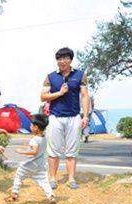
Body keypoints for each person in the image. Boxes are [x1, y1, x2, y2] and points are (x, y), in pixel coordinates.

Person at [40, 47, 90, 190]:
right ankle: (52, 178)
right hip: (55, 117)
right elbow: (42, 96)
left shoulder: (80, 75)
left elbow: (85, 95)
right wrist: (59, 93)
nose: (62, 61)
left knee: (72, 150)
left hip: (74, 117)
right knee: (53, 150)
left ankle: (71, 178)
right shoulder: (50, 77)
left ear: (70, 60)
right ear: (57, 61)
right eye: (59, 59)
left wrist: (85, 116)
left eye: (65, 58)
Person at [5, 114, 57, 204]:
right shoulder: (44, 138)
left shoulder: (34, 139)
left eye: (31, 125)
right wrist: (28, 145)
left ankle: (14, 195)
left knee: (19, 176)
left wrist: (21, 151)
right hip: (40, 165)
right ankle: (51, 197)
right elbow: (38, 147)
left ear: (36, 127)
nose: (30, 126)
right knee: (44, 182)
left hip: (30, 164)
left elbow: (34, 151)